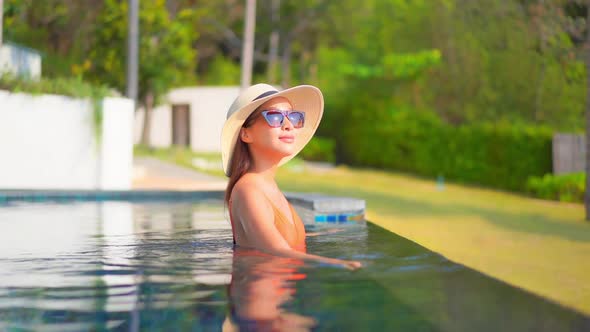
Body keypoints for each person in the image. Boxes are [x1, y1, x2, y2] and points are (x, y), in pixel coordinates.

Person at [221, 83, 361, 270]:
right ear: (245, 133)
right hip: (260, 297)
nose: (288, 126)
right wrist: (338, 264)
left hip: (280, 292)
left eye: (293, 117)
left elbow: (278, 239)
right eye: (275, 117)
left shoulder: (267, 186)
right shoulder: (248, 190)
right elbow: (276, 251)